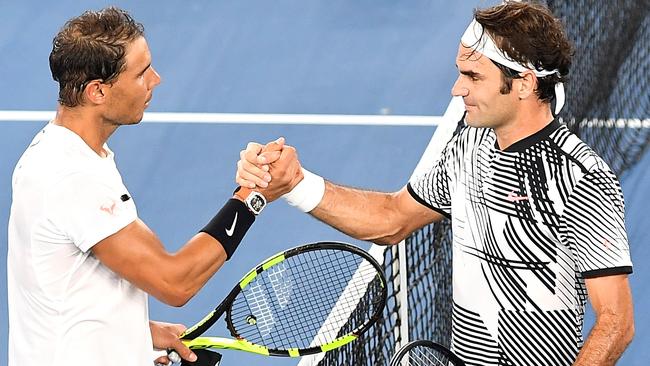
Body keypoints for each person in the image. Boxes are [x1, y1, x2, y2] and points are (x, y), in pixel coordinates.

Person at [236, 2, 634, 366]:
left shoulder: (580, 176)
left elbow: (616, 323)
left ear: (525, 84)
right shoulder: (470, 145)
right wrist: (296, 184)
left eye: (473, 76)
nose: (456, 89)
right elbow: (392, 218)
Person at [7, 7, 269, 366]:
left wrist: (133, 333)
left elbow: (62, 289)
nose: (156, 79)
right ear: (98, 91)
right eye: (142, 73)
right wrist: (253, 196)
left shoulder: (67, 154)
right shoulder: (71, 178)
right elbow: (175, 281)